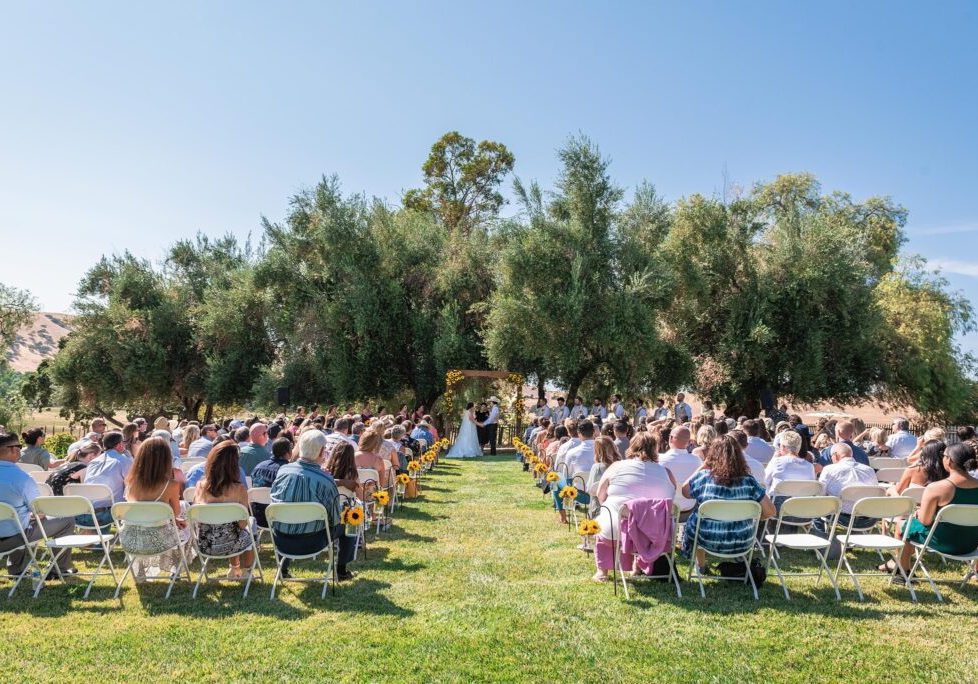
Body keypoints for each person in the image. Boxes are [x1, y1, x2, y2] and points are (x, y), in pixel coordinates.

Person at [270, 429, 357, 580]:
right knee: (351, 520)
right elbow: (334, 519)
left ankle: (283, 569)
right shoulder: (325, 480)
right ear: (322, 451)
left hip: (282, 539)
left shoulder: (282, 471)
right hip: (313, 541)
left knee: (290, 516)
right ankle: (341, 570)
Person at [591, 431, 676, 582]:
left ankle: (602, 571)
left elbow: (600, 494)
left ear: (632, 446)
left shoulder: (616, 466)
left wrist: (613, 506)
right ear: (655, 449)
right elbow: (671, 500)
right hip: (654, 534)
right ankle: (637, 566)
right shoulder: (665, 472)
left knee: (606, 516)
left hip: (617, 528)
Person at [681, 434, 775, 570]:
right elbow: (770, 512)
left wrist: (704, 465)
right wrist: (753, 517)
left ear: (712, 455)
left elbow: (685, 492)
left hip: (707, 539)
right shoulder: (749, 481)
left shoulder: (704, 478)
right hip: (741, 540)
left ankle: (700, 566)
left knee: (696, 520)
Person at [0, 430, 76, 580]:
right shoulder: (22, 478)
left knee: (19, 519)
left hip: (8, 532)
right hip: (11, 539)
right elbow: (39, 511)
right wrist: (33, 516)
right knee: (67, 520)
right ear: (14, 450)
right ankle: (58, 569)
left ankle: (16, 569)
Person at [894, 442, 978, 575]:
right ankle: (975, 572)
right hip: (972, 546)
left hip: (943, 543)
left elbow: (925, 521)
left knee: (901, 525)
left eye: (943, 456)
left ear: (949, 461)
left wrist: (918, 513)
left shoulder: (937, 488)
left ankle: (903, 572)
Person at [120, 436, 189, 579]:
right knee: (186, 517)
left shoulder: (131, 483)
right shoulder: (171, 485)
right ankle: (175, 569)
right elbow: (174, 513)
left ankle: (140, 570)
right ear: (166, 459)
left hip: (130, 540)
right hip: (158, 542)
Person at [192, 440, 254, 579]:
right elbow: (242, 524)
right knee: (249, 526)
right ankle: (247, 570)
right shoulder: (239, 490)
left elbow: (195, 516)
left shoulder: (200, 486)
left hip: (205, 544)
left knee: (231, 529)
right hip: (232, 544)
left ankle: (234, 568)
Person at [816, 442, 879, 533]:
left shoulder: (829, 469)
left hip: (841, 517)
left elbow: (820, 494)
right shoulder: (869, 470)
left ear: (835, 455)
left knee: (815, 505)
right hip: (867, 519)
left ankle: (821, 538)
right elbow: (875, 494)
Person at [81, 431, 132, 528]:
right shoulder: (122, 461)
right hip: (109, 512)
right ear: (120, 445)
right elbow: (132, 484)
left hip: (86, 511)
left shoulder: (93, 462)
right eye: (123, 443)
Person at [553, 421, 596, 523]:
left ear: (579, 433)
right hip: (600, 493)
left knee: (556, 481)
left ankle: (563, 517)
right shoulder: (603, 449)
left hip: (580, 495)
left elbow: (566, 476)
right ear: (594, 432)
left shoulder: (572, 453)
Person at [250, 437, 294, 527]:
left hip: (258, 517)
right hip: (279, 518)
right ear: (288, 452)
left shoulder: (258, 466)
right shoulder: (288, 471)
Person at [659, 426, 701, 517]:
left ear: (670, 438)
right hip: (689, 507)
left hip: (665, 509)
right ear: (689, 442)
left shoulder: (659, 459)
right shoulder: (697, 460)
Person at [585, 436, 621, 515]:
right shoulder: (621, 465)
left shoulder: (597, 467)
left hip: (599, 509)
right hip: (617, 507)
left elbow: (590, 490)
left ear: (597, 451)